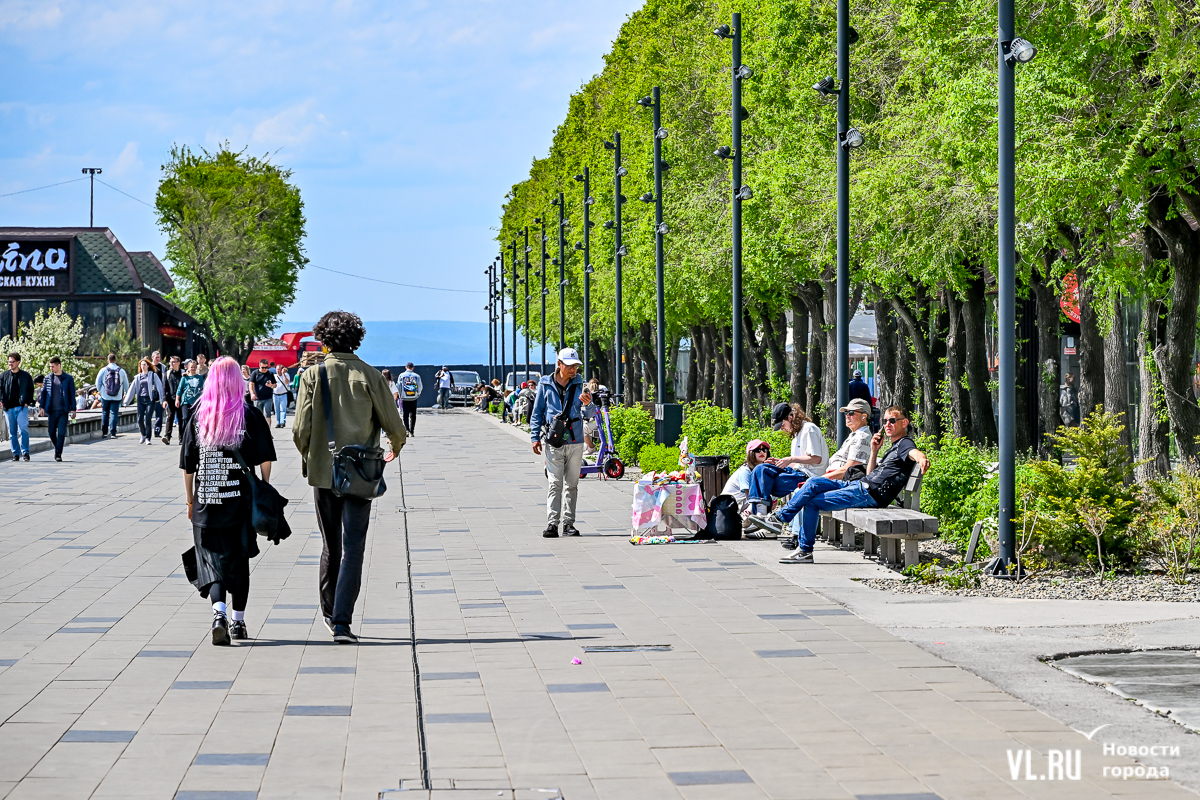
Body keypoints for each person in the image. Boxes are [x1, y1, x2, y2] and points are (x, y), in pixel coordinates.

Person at [293, 311, 406, 644]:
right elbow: (395, 427)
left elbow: (300, 429)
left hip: (324, 471)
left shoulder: (312, 375)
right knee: (354, 546)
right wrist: (394, 448)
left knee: (331, 546)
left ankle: (328, 613)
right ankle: (343, 621)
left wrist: (310, 456)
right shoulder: (370, 375)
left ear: (323, 340)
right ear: (357, 340)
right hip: (360, 472)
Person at [753, 405, 929, 564]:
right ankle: (780, 522)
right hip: (861, 486)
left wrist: (922, 458)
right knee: (813, 482)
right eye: (885, 421)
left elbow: (914, 452)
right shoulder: (893, 446)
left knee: (812, 501)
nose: (887, 425)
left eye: (892, 421)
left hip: (869, 494)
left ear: (904, 422)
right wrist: (874, 451)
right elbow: (870, 474)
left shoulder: (905, 443)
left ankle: (796, 539)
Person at [181, 356, 277, 645]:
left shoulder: (200, 416)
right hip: (240, 502)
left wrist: (190, 502)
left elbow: (188, 466)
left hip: (207, 502)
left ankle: (218, 614)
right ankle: (238, 622)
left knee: (211, 562)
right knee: (238, 560)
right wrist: (263, 489)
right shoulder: (250, 415)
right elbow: (265, 458)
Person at [743, 403, 829, 527]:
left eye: (782, 425)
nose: (782, 429)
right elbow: (799, 462)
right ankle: (760, 516)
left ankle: (759, 517)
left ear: (790, 417)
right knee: (761, 469)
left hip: (809, 477)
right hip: (797, 472)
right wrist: (780, 462)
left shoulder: (809, 429)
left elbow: (816, 459)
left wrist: (790, 459)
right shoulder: (796, 435)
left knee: (764, 481)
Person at [531, 348, 586, 538]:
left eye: (576, 366)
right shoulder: (545, 384)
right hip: (554, 440)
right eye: (570, 366)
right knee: (555, 483)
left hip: (575, 440)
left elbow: (589, 413)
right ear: (559, 364)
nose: (573, 369)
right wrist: (534, 437)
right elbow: (537, 412)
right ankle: (552, 523)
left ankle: (569, 524)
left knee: (572, 484)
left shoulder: (580, 385)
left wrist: (589, 404)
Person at [39, 357, 77, 462]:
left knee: (61, 433)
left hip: (63, 410)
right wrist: (42, 407)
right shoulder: (47, 378)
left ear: (59, 365)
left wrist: (73, 409)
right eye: (50, 366)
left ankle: (58, 454)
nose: (51, 368)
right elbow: (44, 394)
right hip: (51, 410)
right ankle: (58, 447)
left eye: (53, 366)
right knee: (51, 432)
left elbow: (72, 394)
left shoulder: (68, 378)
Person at [0, 353, 35, 462]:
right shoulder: (3, 375)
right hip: (8, 408)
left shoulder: (26, 376)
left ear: (18, 362)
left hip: (21, 407)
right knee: (12, 432)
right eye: (9, 361)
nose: (10, 364)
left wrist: (27, 402)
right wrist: (1, 400)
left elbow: (31, 390)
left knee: (23, 429)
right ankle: (15, 453)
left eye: (12, 361)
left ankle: (25, 452)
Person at [722, 439, 773, 513]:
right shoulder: (745, 470)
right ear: (750, 453)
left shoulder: (761, 470)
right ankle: (756, 518)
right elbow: (750, 496)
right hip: (731, 506)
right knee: (762, 497)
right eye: (757, 450)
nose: (762, 452)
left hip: (743, 503)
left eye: (764, 450)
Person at [124, 358, 165, 445]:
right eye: (141, 365)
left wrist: (162, 400)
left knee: (148, 418)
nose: (143, 366)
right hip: (140, 399)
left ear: (148, 366)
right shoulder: (138, 377)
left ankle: (148, 438)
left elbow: (160, 387)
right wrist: (126, 402)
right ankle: (143, 434)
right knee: (139, 419)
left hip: (150, 399)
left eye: (144, 364)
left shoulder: (153, 375)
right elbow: (132, 389)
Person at [95, 353, 128, 439]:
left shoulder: (103, 370)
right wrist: (125, 394)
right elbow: (126, 385)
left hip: (105, 396)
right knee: (114, 413)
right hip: (117, 396)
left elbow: (97, 383)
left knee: (105, 413)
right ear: (115, 360)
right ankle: (113, 433)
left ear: (108, 361)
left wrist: (101, 392)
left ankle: (105, 433)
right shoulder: (122, 371)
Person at [177, 360, 205, 429]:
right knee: (185, 417)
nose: (193, 368)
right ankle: (185, 433)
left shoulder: (200, 377)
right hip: (186, 401)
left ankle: (193, 434)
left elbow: (203, 388)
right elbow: (179, 389)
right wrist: (177, 400)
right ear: (188, 368)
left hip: (196, 401)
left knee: (195, 419)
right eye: (191, 367)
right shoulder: (184, 378)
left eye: (194, 367)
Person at [397, 362, 422, 435]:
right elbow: (420, 387)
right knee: (413, 415)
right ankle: (412, 431)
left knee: (405, 415)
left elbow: (398, 386)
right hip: (414, 398)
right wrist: (417, 394)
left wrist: (400, 395)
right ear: (413, 368)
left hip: (404, 398)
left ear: (406, 367)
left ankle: (407, 430)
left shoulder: (401, 375)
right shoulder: (417, 376)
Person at [149, 350, 167, 439]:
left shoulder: (163, 367)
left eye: (159, 357)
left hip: (160, 393)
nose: (158, 359)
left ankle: (157, 431)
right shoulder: (149, 367)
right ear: (152, 357)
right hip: (150, 393)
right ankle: (148, 431)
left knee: (159, 414)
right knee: (148, 413)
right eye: (156, 357)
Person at [271, 363, 290, 428]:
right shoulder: (274, 376)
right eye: (277, 369)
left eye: (279, 369)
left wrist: (283, 374)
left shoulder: (286, 375)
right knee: (277, 410)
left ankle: (282, 422)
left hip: (283, 395)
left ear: (282, 370)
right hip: (275, 395)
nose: (278, 371)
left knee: (283, 409)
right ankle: (278, 422)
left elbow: (286, 382)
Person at [580, 389, 598, 453]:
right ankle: (589, 446)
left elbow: (591, 413)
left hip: (597, 419)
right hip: (594, 419)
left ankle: (591, 447)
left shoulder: (591, 396)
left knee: (582, 428)